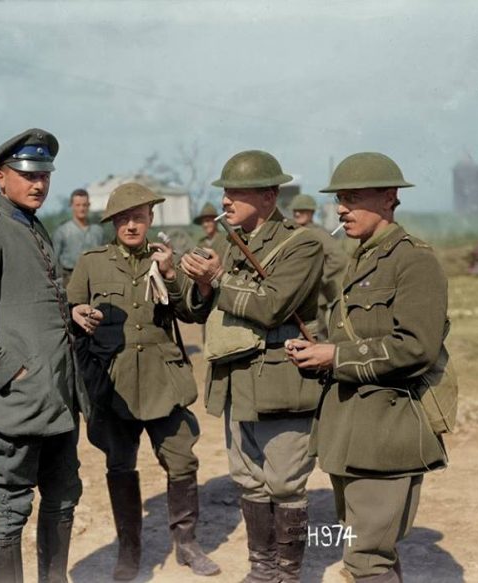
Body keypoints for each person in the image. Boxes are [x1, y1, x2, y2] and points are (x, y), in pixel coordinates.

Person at [286, 153, 451, 582]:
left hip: (387, 432)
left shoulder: (414, 261)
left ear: (389, 199)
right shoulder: (360, 258)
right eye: (340, 198)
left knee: (365, 561)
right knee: (372, 553)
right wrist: (317, 352)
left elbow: (417, 348)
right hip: (350, 430)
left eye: (353, 198)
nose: (342, 208)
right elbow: (356, 339)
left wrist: (336, 357)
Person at [0, 128, 89, 583]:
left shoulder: (32, 226)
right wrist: (14, 372)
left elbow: (29, 303)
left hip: (58, 398)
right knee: (11, 505)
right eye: (27, 174)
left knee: (64, 496)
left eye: (44, 174)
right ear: (1, 177)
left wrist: (71, 311)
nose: (38, 184)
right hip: (16, 402)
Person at [178, 150, 324, 583]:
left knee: (285, 483)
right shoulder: (225, 240)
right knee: (249, 481)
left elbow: (273, 306)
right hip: (235, 382)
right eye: (224, 193)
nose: (224, 201)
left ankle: (289, 573)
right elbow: (197, 311)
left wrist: (218, 281)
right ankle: (263, 571)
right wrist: (198, 283)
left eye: (235, 193)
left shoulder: (302, 244)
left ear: (269, 196)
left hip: (283, 379)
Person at [66, 183, 221, 580]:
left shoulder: (167, 259)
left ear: (151, 219)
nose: (131, 226)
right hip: (113, 381)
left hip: (163, 379)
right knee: (120, 463)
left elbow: (192, 312)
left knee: (182, 459)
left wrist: (170, 274)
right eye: (123, 219)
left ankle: (186, 545)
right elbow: (69, 309)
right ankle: (130, 549)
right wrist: (77, 312)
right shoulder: (91, 262)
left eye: (138, 217)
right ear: (113, 224)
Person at [289, 194, 348, 340]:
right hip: (292, 297)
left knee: (316, 338)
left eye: (302, 210)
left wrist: (319, 277)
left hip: (314, 299)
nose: (297, 214)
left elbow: (339, 258)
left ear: (311, 213)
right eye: (295, 210)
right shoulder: (291, 232)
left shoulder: (317, 234)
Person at [52, 188, 105, 286]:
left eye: (84, 205)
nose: (82, 208)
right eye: (78, 205)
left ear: (89, 205)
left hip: (94, 279)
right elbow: (54, 260)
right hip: (69, 279)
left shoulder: (98, 230)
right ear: (71, 206)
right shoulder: (62, 231)